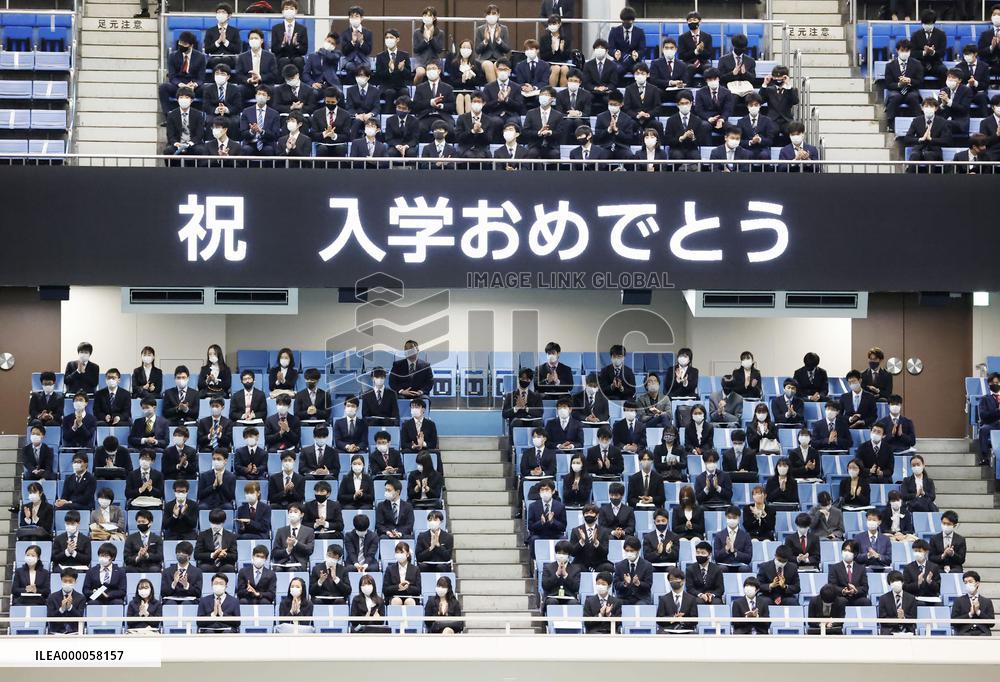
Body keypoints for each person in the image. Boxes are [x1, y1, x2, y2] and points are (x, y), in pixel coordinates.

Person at [885, 40, 924, 132]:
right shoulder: (890, 65)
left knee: (913, 97)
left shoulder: (917, 64)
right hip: (896, 90)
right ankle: (890, 124)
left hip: (911, 90)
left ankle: (920, 125)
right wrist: (899, 84)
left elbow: (920, 81)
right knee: (895, 97)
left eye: (907, 51)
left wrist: (909, 81)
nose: (905, 53)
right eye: (902, 50)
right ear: (897, 50)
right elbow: (888, 83)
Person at [903, 97, 951, 169]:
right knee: (914, 155)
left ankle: (931, 179)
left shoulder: (942, 122)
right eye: (926, 106)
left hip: (934, 151)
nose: (928, 108)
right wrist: (920, 139)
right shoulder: (916, 120)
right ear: (922, 108)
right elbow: (907, 139)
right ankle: (910, 178)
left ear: (936, 108)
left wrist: (931, 139)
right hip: (919, 149)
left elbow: (947, 140)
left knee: (929, 155)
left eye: (931, 106)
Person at [375, 34, 412, 116]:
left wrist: (402, 69)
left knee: (405, 92)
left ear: (397, 39)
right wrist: (389, 70)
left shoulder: (404, 55)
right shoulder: (380, 56)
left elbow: (409, 76)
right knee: (390, 92)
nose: (389, 39)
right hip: (386, 86)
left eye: (391, 37)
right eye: (387, 38)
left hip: (400, 85)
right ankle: (387, 117)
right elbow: (378, 75)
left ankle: (407, 116)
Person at [522, 86, 564, 159]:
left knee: (555, 154)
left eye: (546, 95)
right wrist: (539, 133)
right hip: (535, 145)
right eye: (541, 94)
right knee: (532, 153)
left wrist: (550, 132)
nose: (543, 96)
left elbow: (560, 133)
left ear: (553, 99)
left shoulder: (558, 115)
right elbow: (525, 131)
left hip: (551, 146)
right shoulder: (530, 113)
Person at [569, 503, 612, 572]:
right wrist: (581, 542)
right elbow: (572, 553)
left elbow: (605, 552)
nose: (589, 515)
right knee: (575, 568)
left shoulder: (604, 531)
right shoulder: (576, 531)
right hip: (581, 563)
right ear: (583, 515)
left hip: (599, 564)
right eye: (586, 513)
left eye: (591, 513)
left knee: (608, 567)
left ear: (597, 515)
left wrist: (596, 542)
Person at [271, 503, 315, 570]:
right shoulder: (281, 531)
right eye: (290, 512)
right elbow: (275, 552)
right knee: (277, 569)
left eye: (295, 511)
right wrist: (288, 549)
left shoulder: (309, 531)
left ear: (302, 514)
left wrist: (296, 543)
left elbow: (309, 550)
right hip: (283, 562)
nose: (292, 514)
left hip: (299, 563)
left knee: (292, 569)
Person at [475, 4, 510, 83]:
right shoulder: (480, 29)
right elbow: (477, 50)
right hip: (484, 59)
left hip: (499, 58)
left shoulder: (504, 29)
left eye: (494, 14)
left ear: (498, 15)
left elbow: (507, 49)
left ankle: (496, 91)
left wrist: (499, 40)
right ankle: (495, 91)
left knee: (497, 65)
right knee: (489, 65)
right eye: (489, 14)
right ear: (485, 16)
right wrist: (485, 41)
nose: (491, 16)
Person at [952, 570, 995, 635]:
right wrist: (970, 614)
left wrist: (978, 612)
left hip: (982, 632)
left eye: (970, 581)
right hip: (965, 632)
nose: (967, 584)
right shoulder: (958, 601)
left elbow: (992, 623)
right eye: (965, 582)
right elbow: (953, 622)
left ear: (977, 583)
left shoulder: (987, 601)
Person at [829, 540, 870, 606]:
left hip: (856, 597)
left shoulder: (861, 568)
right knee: (841, 601)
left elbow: (865, 587)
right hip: (841, 597)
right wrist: (843, 591)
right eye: (845, 550)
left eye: (849, 551)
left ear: (855, 553)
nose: (846, 553)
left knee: (866, 602)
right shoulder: (834, 568)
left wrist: (855, 590)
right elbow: (832, 586)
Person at [613, 536, 653, 605]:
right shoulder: (619, 566)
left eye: (631, 551)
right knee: (617, 604)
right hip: (624, 598)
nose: (629, 553)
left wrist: (639, 583)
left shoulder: (647, 566)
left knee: (641, 605)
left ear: (638, 550)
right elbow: (616, 585)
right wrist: (625, 583)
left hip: (641, 598)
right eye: (627, 550)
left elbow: (648, 585)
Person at [541, 539, 582, 607]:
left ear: (568, 555)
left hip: (569, 597)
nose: (561, 555)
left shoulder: (576, 569)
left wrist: (566, 575)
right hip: (552, 596)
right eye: (559, 552)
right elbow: (545, 586)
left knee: (573, 603)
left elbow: (576, 587)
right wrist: (557, 574)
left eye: (564, 553)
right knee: (552, 602)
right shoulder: (547, 567)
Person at [527, 479, 566, 548]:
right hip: (539, 534)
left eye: (547, 489)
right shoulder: (533, 506)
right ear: (539, 492)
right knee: (533, 539)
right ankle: (535, 558)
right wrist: (540, 523)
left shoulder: (560, 506)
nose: (544, 492)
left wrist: (553, 521)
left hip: (555, 534)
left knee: (563, 539)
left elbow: (563, 527)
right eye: (542, 490)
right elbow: (530, 527)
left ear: (553, 491)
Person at [195, 508, 237, 572]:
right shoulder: (202, 535)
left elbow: (235, 556)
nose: (215, 526)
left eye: (218, 523)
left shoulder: (231, 536)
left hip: (224, 564)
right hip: (208, 563)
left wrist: (225, 555)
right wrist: (212, 555)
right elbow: (197, 555)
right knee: (203, 568)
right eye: (213, 523)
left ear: (223, 522)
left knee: (229, 568)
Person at [271, 0, 308, 73]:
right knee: (283, 61)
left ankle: (298, 83)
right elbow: (273, 49)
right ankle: (281, 83)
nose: (289, 11)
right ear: (282, 11)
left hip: (296, 56)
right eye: (286, 8)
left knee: (298, 61)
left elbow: (304, 50)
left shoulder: (302, 29)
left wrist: (296, 44)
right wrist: (282, 44)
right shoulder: (276, 28)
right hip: (282, 57)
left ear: (296, 11)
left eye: (291, 9)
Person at [657, 567, 698, 633]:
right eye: (671, 579)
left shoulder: (691, 599)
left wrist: (683, 620)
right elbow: (659, 619)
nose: (674, 581)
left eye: (677, 579)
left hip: (686, 630)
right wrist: (672, 618)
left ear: (683, 580)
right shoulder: (663, 599)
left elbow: (695, 620)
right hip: (668, 630)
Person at [911, 10, 947, 82]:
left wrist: (933, 52)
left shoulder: (941, 34)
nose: (927, 25)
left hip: (936, 63)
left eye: (929, 23)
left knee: (944, 71)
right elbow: (912, 53)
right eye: (925, 23)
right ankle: (916, 92)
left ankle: (944, 92)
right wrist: (924, 52)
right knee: (914, 71)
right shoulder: (915, 35)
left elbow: (942, 52)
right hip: (921, 63)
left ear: (933, 22)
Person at [47, 568, 86, 634]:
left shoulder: (81, 598)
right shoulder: (52, 597)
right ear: (61, 581)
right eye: (65, 581)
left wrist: (70, 608)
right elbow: (49, 617)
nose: (67, 583)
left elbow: (80, 617)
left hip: (74, 632)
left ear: (75, 581)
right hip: (56, 632)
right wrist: (61, 609)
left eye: (70, 581)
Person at [712, 506, 752, 571]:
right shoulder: (719, 535)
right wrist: (726, 549)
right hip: (724, 564)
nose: (732, 520)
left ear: (739, 518)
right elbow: (716, 557)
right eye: (729, 517)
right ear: (726, 518)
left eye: (734, 518)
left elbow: (748, 557)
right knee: (721, 568)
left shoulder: (746, 536)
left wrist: (735, 551)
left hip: (740, 564)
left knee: (745, 569)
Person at [123, 509, 163, 573]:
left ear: (150, 523)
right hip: (135, 566)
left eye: (143, 522)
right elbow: (126, 558)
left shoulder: (157, 538)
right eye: (139, 522)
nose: (141, 524)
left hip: (151, 566)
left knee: (155, 569)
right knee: (126, 569)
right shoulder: (130, 538)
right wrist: (138, 557)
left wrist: (147, 555)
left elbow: (160, 556)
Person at [685, 541, 724, 605]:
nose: (699, 555)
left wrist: (712, 595)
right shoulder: (690, 569)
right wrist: (701, 595)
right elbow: (690, 588)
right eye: (698, 553)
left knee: (717, 602)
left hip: (713, 597)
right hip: (697, 596)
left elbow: (720, 589)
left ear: (709, 555)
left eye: (703, 553)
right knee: (698, 602)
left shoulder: (717, 569)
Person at [938, 69, 973, 135]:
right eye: (949, 77)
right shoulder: (943, 90)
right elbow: (938, 110)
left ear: (959, 80)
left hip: (960, 121)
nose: (950, 80)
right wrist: (942, 104)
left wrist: (948, 101)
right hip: (945, 119)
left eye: (953, 78)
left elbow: (964, 109)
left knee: (944, 123)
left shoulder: (966, 90)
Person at [539, 15, 571, 86]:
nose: (552, 26)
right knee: (556, 68)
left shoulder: (565, 38)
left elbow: (568, 56)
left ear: (559, 24)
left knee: (565, 69)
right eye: (550, 24)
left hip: (562, 63)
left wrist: (562, 50)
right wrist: (552, 50)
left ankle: (562, 92)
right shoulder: (544, 39)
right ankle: (552, 91)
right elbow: (543, 56)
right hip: (549, 63)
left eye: (554, 24)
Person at [678, 11, 712, 76]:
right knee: (690, 67)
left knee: (708, 69)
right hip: (688, 63)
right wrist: (695, 51)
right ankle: (687, 85)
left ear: (700, 21)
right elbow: (681, 55)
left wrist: (701, 51)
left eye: (694, 20)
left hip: (703, 62)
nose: (692, 22)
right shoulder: (682, 37)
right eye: (690, 20)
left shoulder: (707, 36)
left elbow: (709, 54)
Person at [978, 373, 1000, 463]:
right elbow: (983, 415)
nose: (995, 385)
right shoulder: (985, 399)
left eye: (997, 382)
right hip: (992, 424)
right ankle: (985, 458)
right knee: (983, 429)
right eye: (993, 383)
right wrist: (998, 411)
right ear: (989, 384)